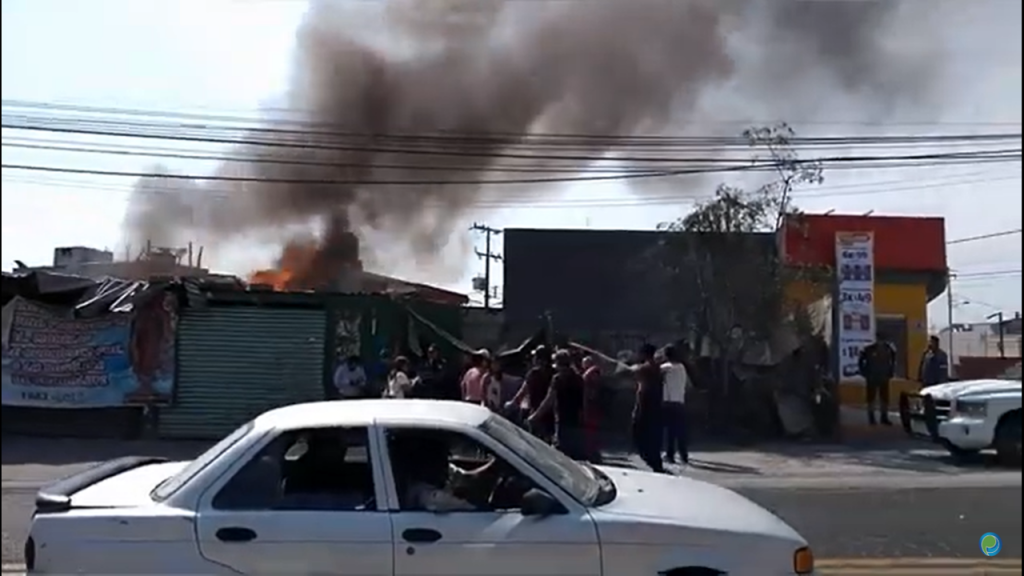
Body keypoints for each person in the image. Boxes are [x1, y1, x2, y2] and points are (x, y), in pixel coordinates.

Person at [529, 349, 586, 460]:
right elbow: (584, 401)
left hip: (562, 420)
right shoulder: (579, 378)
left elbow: (549, 400)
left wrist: (535, 416)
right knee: (573, 453)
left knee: (560, 453)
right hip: (576, 421)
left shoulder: (558, 379)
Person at [621, 343, 665, 473]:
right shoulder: (656, 368)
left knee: (641, 434)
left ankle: (651, 460)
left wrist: (630, 367)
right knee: (652, 436)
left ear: (645, 354)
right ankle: (654, 461)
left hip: (646, 405)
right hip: (654, 405)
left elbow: (628, 372)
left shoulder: (647, 368)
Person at [508, 346, 554, 441]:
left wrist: (512, 403)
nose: (533, 359)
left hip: (536, 415)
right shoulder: (554, 373)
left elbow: (523, 390)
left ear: (540, 359)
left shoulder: (534, 374)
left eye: (535, 357)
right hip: (551, 416)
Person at [858, 332, 897, 426]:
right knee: (871, 399)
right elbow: (860, 360)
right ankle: (871, 418)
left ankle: (884, 417)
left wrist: (891, 372)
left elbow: (893, 361)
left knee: (884, 399)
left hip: (884, 377)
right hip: (872, 377)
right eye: (880, 339)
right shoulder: (869, 349)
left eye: (883, 339)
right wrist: (864, 372)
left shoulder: (889, 349)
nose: (881, 341)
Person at [660, 345, 691, 465]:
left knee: (670, 431)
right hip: (680, 401)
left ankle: (670, 454)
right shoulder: (682, 367)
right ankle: (684, 455)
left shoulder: (666, 368)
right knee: (680, 431)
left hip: (668, 402)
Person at [581, 355, 604, 463]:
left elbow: (593, 390)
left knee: (592, 431)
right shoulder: (588, 373)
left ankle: (594, 454)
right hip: (588, 406)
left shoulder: (593, 372)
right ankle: (590, 452)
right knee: (588, 432)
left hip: (592, 407)